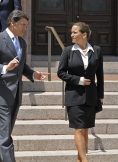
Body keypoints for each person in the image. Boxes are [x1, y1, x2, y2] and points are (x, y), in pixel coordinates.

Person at [0, 10, 49, 162]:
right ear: (13, 23)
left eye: (26, 25)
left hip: (16, 94)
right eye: (23, 25)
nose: (25, 28)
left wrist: (33, 74)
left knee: (3, 135)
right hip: (0, 94)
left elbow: (22, 67)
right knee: (5, 137)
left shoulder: (22, 42)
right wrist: (5, 68)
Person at [57, 22, 104, 162]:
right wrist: (78, 80)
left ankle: (80, 159)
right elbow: (60, 72)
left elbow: (100, 75)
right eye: (71, 32)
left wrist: (100, 95)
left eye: (75, 32)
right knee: (78, 128)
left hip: (91, 95)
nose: (72, 35)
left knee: (85, 129)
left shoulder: (97, 50)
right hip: (74, 95)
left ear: (84, 34)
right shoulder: (68, 51)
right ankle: (85, 160)